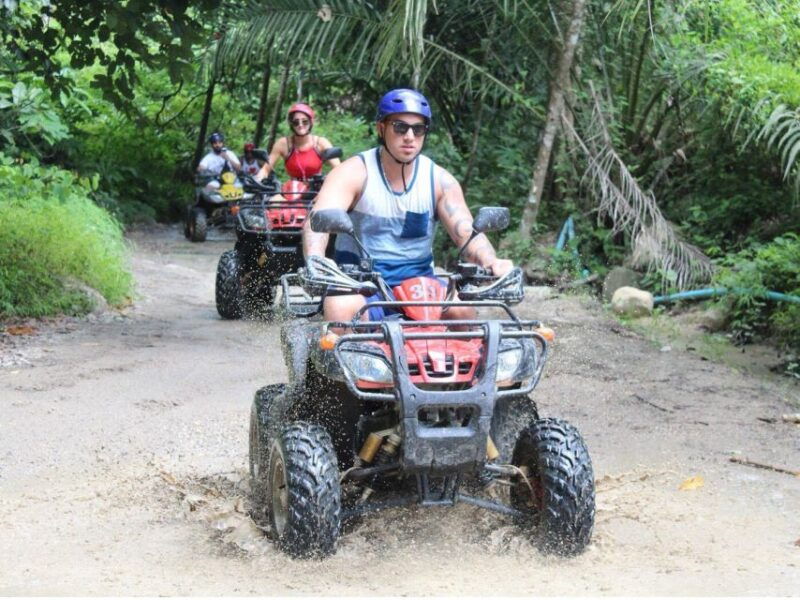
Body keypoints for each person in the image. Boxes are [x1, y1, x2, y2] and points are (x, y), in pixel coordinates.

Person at [303, 88, 513, 323]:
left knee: (463, 310)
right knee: (342, 307)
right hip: (360, 282)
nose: (410, 136)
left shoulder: (439, 180)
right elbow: (317, 221)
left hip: (422, 287)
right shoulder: (352, 173)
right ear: (381, 128)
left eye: (418, 128)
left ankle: (459, 361)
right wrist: (316, 259)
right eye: (400, 127)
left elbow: (465, 230)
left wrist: (491, 261)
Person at [255, 103, 340, 182]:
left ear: (311, 122)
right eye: (296, 122)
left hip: (317, 190)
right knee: (274, 198)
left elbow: (338, 168)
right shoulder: (283, 144)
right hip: (292, 190)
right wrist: (257, 180)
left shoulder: (321, 143)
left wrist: (329, 180)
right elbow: (266, 169)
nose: (300, 125)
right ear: (291, 124)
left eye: (305, 121)